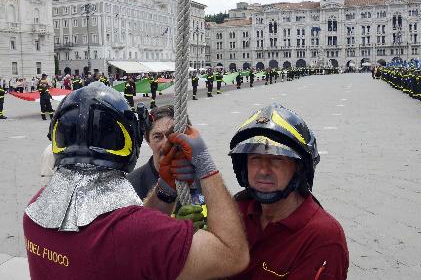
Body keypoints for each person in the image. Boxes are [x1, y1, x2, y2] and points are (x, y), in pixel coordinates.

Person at [23, 82, 249, 280]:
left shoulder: (36, 209)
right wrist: (205, 165)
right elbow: (233, 255)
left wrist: (166, 189)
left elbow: (129, 235)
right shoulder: (133, 232)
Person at [227, 103, 349, 279]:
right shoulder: (237, 210)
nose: (263, 170)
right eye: (255, 158)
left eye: (276, 159)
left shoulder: (323, 237)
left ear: (299, 168)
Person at [127, 105, 190, 200]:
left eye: (173, 134)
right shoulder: (131, 188)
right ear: (148, 141)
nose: (166, 144)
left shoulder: (203, 179)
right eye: (157, 136)